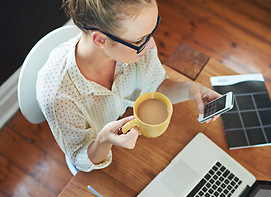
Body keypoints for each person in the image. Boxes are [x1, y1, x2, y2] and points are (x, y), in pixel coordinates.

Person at [36, 0, 221, 172]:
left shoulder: (137, 49)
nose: (151, 45)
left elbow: (154, 86)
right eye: (141, 40)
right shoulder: (58, 96)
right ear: (100, 40)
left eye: (152, 31)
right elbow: (79, 156)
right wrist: (103, 140)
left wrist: (190, 89)